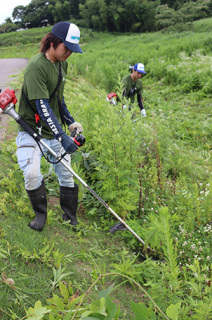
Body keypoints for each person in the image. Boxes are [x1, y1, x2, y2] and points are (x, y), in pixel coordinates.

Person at [16, 21, 84, 231]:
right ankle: (40, 216)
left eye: (73, 51)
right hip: (31, 130)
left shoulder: (61, 64)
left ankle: (69, 216)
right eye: (67, 48)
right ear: (53, 42)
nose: (69, 54)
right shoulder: (36, 66)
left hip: (51, 129)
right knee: (33, 173)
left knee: (67, 173)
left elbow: (58, 99)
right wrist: (62, 136)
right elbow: (43, 106)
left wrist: (70, 121)